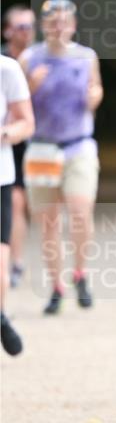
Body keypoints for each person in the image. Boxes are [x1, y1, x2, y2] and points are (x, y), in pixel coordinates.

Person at [19, 0, 103, 315]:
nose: (58, 27)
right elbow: (16, 104)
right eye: (52, 22)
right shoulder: (30, 58)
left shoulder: (86, 57)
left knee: (81, 212)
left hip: (78, 145)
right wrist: (31, 85)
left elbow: (96, 89)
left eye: (64, 21)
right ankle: (56, 286)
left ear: (73, 24)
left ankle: (80, 273)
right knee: (48, 221)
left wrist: (95, 97)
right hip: (42, 147)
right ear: (43, 26)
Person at [0, 53, 34, 354]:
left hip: (1, 176)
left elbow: (26, 122)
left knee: (0, 258)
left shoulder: (7, 69)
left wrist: (6, 133)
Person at [1, 5, 36, 287]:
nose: (27, 32)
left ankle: (16, 260)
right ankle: (12, 261)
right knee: (16, 200)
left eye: (30, 26)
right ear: (8, 31)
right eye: (21, 26)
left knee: (22, 202)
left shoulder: (42, 57)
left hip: (33, 141)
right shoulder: (7, 61)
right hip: (12, 141)